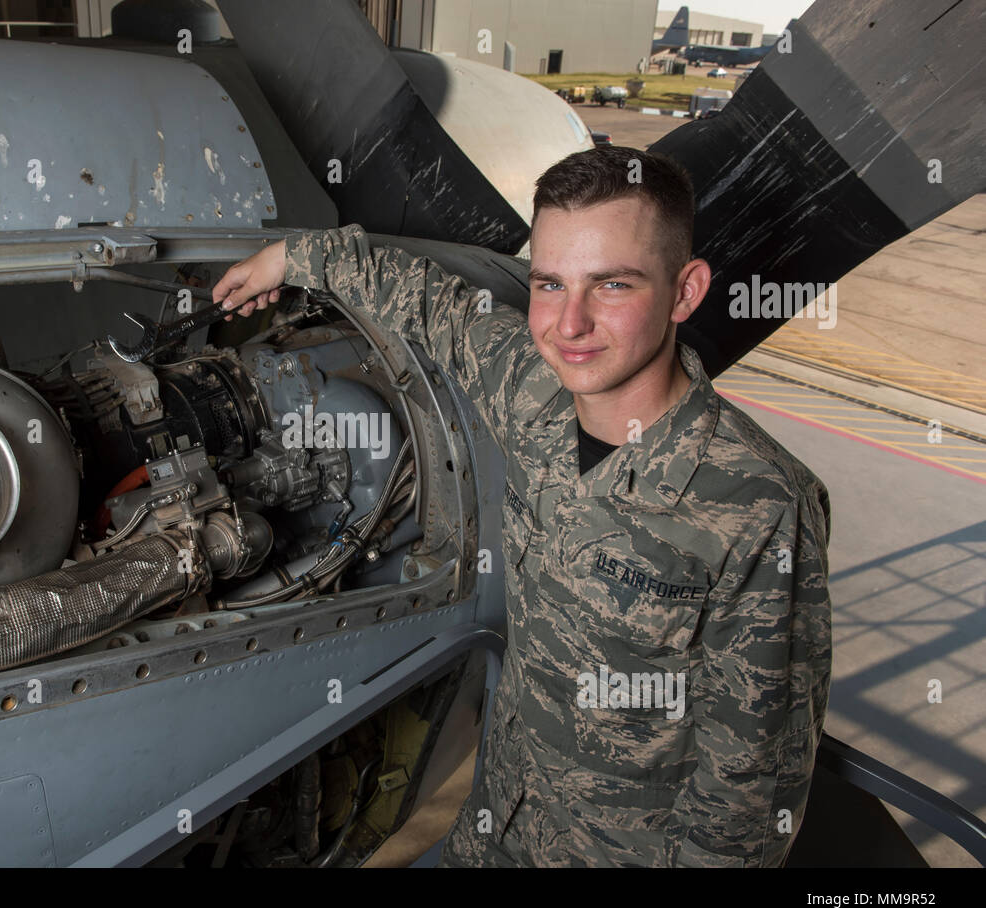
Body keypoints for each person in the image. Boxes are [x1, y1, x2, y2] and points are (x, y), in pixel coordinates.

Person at [211, 145, 831, 867]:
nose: (568, 325)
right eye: (548, 284)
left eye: (613, 286)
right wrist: (293, 258)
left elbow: (748, 800)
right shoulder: (532, 392)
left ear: (686, 291)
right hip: (499, 825)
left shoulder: (757, 506)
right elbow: (431, 303)